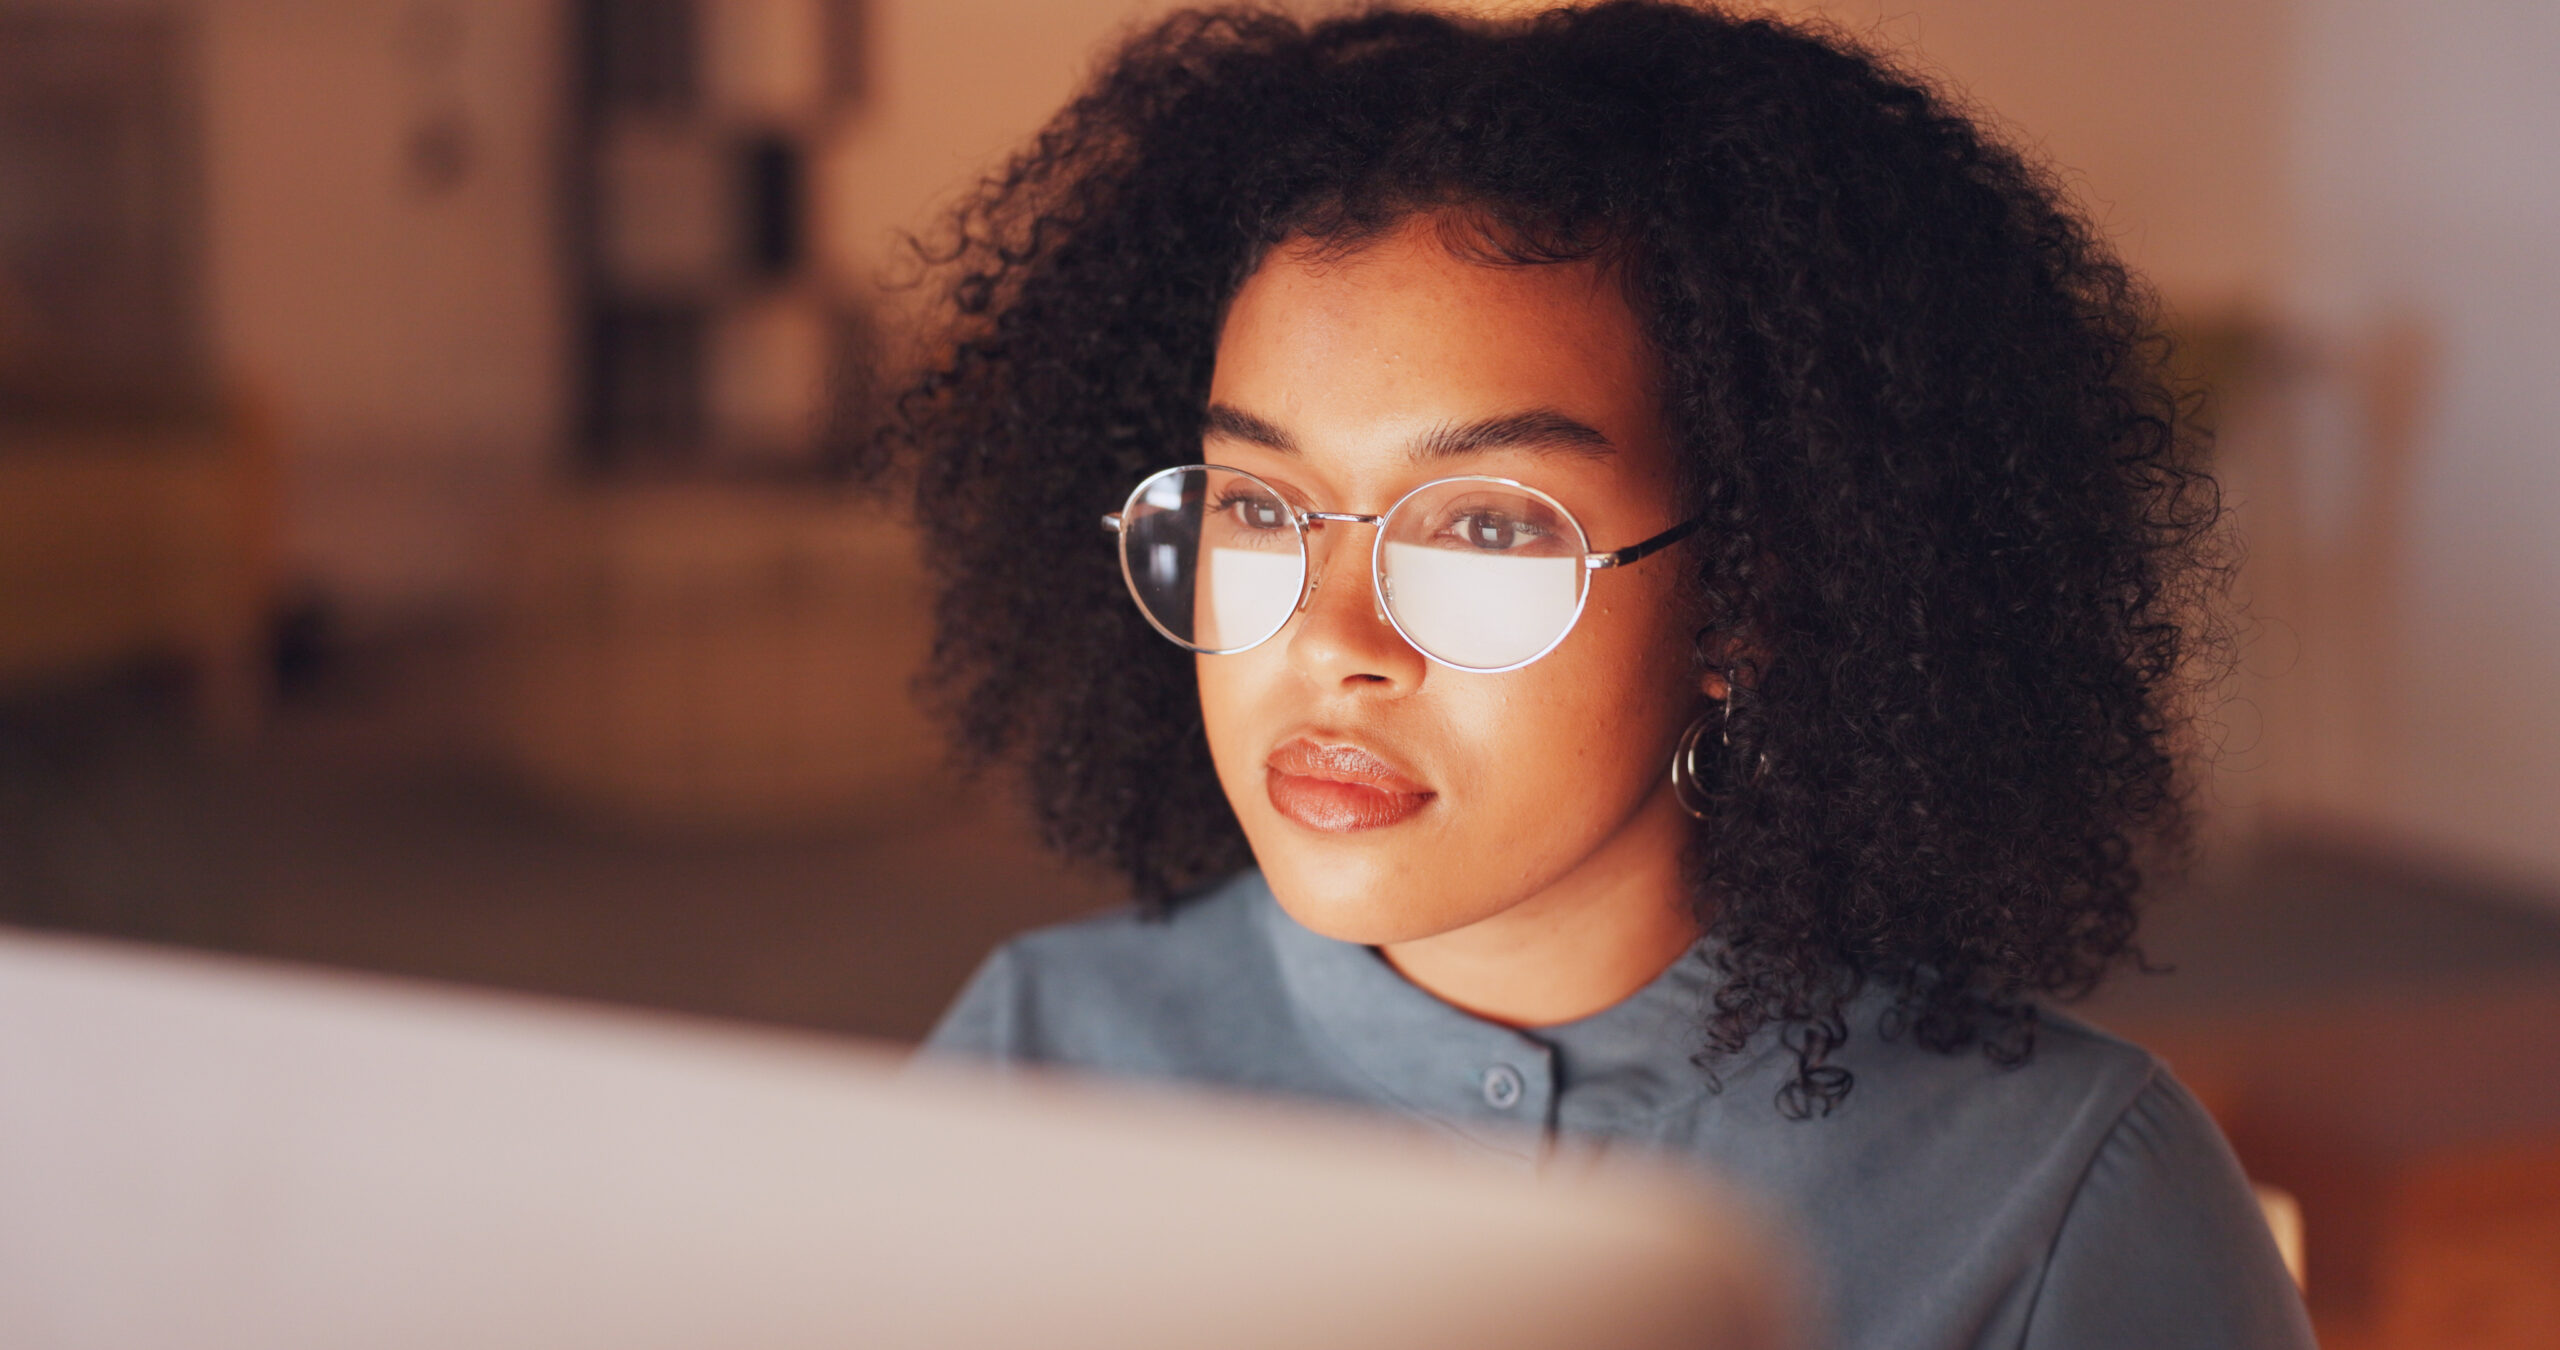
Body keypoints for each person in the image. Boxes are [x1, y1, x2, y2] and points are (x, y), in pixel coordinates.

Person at [869, 4, 2316, 1346]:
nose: (1332, 643)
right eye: (1256, 504)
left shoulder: (2058, 1201)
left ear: (1749, 594)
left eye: (1488, 526)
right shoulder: (1038, 1057)